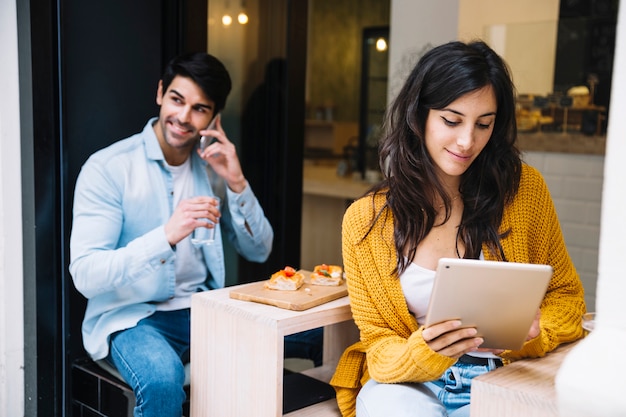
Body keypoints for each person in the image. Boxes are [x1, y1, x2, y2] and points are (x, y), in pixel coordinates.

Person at [329, 40, 587, 417]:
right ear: (419, 117)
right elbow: (379, 344)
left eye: (484, 124)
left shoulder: (524, 192)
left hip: (502, 374)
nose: (468, 141)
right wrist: (426, 351)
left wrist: (533, 335)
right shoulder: (366, 220)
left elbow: (567, 297)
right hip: (410, 384)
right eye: (452, 121)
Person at [69, 52, 275, 416]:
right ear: (161, 93)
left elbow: (259, 250)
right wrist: (165, 235)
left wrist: (236, 181)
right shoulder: (108, 169)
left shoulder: (212, 169)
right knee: (163, 381)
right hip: (132, 317)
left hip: (203, 309)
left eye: (199, 109)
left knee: (310, 333)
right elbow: (86, 275)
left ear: (214, 118)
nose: (183, 117)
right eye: (177, 100)